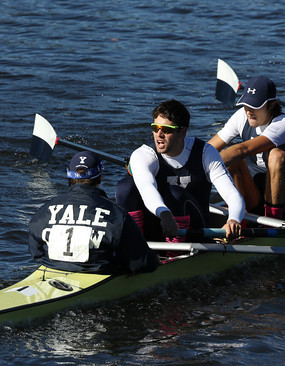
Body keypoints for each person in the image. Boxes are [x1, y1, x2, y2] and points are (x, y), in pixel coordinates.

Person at [115, 99, 244, 241]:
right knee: (125, 187)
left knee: (175, 193)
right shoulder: (143, 155)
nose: (159, 134)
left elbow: (232, 194)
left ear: (182, 132)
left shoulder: (205, 153)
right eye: (155, 128)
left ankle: (176, 250)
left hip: (195, 230)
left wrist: (233, 219)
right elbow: (147, 187)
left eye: (166, 130)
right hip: (158, 223)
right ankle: (134, 242)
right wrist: (164, 213)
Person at [29, 151, 159, 274]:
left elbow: (36, 253)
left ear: (69, 178)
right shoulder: (117, 214)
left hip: (52, 269)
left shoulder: (44, 209)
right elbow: (142, 263)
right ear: (100, 178)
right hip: (100, 275)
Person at [209, 76, 285, 220]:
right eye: (246, 104)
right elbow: (208, 149)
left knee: (275, 155)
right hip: (256, 197)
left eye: (255, 106)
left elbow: (243, 150)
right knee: (231, 159)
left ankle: (272, 220)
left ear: (272, 105)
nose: (249, 111)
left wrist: (204, 169)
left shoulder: (284, 124)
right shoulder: (242, 116)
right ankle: (240, 220)